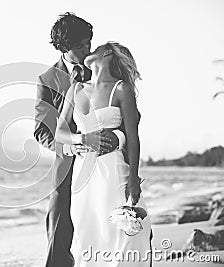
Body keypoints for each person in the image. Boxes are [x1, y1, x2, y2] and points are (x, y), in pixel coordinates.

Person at [34, 13, 126, 267]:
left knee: (127, 224)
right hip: (67, 167)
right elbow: (42, 132)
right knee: (59, 232)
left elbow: (129, 116)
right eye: (80, 46)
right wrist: (77, 144)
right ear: (64, 48)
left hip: (109, 163)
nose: (88, 49)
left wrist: (117, 139)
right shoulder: (47, 80)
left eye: (88, 42)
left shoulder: (103, 66)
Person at [55, 42, 153, 266]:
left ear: (108, 52)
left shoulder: (121, 89)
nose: (89, 50)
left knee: (124, 232)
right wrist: (81, 138)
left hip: (113, 170)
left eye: (96, 47)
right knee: (87, 230)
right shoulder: (76, 89)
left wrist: (133, 179)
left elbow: (133, 137)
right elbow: (60, 131)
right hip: (83, 175)